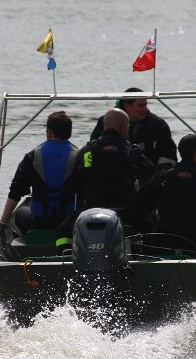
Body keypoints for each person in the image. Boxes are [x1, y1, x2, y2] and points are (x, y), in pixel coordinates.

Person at [55, 108, 155, 252]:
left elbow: (76, 185)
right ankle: (148, 254)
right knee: (153, 226)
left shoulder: (87, 151)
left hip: (92, 211)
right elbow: (150, 179)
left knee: (62, 232)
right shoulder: (132, 151)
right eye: (128, 127)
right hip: (126, 213)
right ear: (123, 127)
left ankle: (64, 254)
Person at [129, 134, 196, 258]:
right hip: (195, 245)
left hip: (163, 243)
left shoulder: (163, 177)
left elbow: (136, 209)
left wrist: (150, 230)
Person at [0, 111, 78, 234]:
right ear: (69, 133)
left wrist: (3, 222)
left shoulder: (32, 156)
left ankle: (33, 241)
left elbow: (15, 191)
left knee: (20, 212)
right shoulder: (79, 156)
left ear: (49, 133)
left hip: (40, 223)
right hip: (70, 223)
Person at [90, 87, 177, 170]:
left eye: (146, 104)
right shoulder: (106, 121)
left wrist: (157, 177)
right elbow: (92, 150)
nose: (146, 109)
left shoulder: (158, 125)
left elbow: (169, 155)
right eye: (141, 105)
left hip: (149, 178)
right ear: (127, 106)